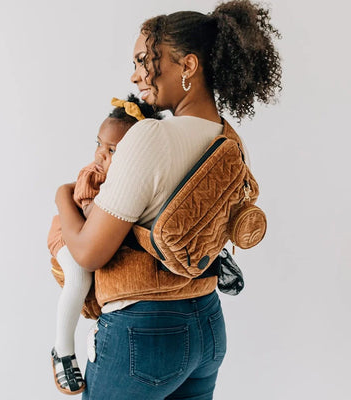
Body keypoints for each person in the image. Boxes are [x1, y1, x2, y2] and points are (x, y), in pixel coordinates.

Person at [54, 1, 282, 399]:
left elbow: (89, 253)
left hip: (143, 333)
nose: (135, 75)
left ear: (188, 66)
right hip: (208, 323)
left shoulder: (149, 136)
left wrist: (61, 195)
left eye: (145, 61)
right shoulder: (229, 140)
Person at [47, 94, 163, 395]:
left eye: (112, 150)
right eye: (99, 144)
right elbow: (91, 225)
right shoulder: (94, 176)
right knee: (79, 279)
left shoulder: (140, 177)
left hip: (93, 238)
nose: (100, 154)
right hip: (69, 233)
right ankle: (62, 349)